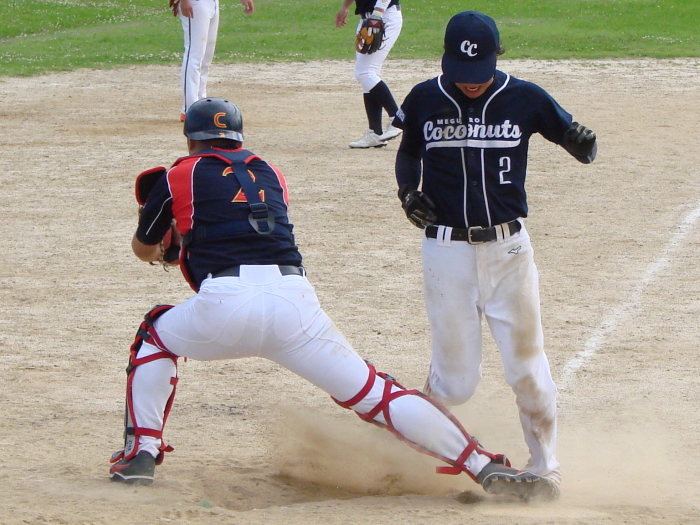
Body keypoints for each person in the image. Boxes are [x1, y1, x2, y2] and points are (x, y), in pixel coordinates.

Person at [108, 97, 559, 502]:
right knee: (378, 395)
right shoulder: (271, 173)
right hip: (294, 303)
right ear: (238, 139)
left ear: (191, 139)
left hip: (223, 305)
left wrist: (169, 250)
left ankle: (141, 452)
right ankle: (482, 464)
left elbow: (143, 248)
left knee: (154, 334)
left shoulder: (178, 173)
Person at [392, 11, 598, 488]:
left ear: (497, 58)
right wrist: (407, 192)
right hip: (446, 253)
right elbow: (409, 152)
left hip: (508, 253)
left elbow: (579, 144)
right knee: (455, 383)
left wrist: (582, 145)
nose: (470, 82)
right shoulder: (425, 97)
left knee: (527, 368)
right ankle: (409, 448)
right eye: (461, 73)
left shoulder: (524, 97)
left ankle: (545, 470)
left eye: (480, 72)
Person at [169, 0, 255, 122]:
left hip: (212, 3)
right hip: (196, 3)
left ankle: (201, 105)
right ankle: (190, 109)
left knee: (205, 59)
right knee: (194, 55)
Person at [335, 0, 403, 148]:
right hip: (368, 19)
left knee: (365, 73)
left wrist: (378, 13)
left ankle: (397, 118)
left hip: (383, 17)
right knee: (368, 74)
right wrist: (345, 7)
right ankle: (375, 132)